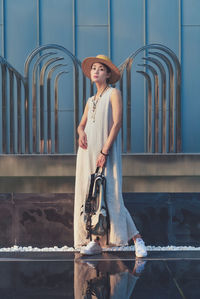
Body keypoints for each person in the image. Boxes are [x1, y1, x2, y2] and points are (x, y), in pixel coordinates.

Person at [74, 54, 147, 258]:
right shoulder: (91, 100)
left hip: (106, 150)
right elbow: (81, 125)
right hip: (87, 153)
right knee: (91, 197)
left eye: (100, 69)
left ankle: (137, 239)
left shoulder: (114, 93)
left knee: (112, 195)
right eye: (93, 68)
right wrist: (81, 133)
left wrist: (105, 151)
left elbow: (117, 123)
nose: (95, 71)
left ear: (107, 74)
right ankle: (94, 241)